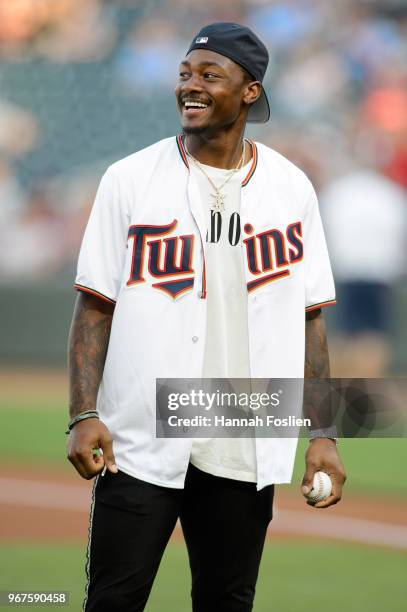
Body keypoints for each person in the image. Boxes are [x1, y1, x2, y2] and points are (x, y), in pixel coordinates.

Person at [67, 22, 346, 612]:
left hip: (242, 430)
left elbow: (310, 318)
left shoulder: (290, 188)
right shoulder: (129, 179)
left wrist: (323, 434)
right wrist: (83, 411)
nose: (190, 87)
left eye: (209, 76)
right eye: (184, 75)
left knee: (227, 600)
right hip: (140, 434)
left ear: (250, 91)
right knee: (113, 600)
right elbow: (95, 304)